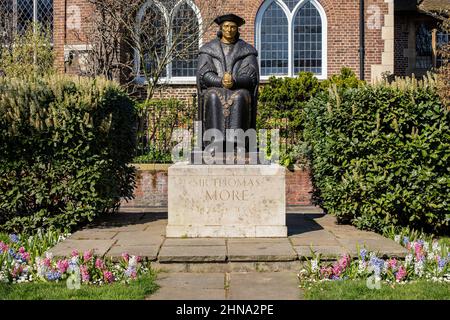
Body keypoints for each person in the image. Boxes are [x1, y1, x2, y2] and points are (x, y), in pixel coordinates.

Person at [196, 13, 259, 153]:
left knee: (241, 96)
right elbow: (203, 73)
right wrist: (219, 81)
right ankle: (214, 141)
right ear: (221, 28)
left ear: (237, 29)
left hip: (238, 88)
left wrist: (235, 81)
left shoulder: (247, 50)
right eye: (226, 27)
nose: (229, 30)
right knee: (212, 95)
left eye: (233, 27)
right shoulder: (208, 49)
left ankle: (238, 143)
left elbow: (251, 75)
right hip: (216, 87)